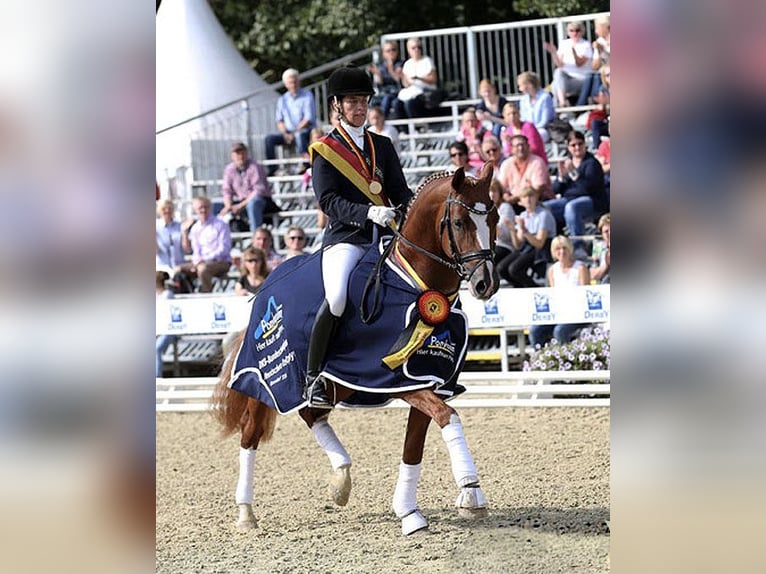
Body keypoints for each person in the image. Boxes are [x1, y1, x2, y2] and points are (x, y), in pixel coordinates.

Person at [305, 64, 413, 408]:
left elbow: (399, 191)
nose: (359, 108)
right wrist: (367, 212)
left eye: (363, 101)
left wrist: (411, 209)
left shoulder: (382, 144)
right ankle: (315, 378)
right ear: (337, 105)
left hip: (386, 235)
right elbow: (329, 201)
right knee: (337, 297)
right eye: (352, 102)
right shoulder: (324, 150)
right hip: (347, 238)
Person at [544, 130, 607, 253]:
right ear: (568, 147)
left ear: (585, 145)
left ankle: (578, 246)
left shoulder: (591, 163)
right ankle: (549, 246)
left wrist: (574, 173)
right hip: (569, 199)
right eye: (573, 145)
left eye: (580, 144)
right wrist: (561, 177)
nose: (577, 147)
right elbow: (556, 189)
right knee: (544, 208)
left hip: (592, 201)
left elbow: (588, 189)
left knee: (571, 208)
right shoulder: (567, 162)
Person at [528, 235, 590, 348]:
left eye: (564, 248)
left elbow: (585, 294)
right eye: (558, 249)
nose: (562, 251)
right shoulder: (552, 270)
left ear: (570, 249)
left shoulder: (580, 268)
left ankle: (563, 360)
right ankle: (540, 359)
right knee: (534, 330)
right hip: (559, 312)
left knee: (559, 331)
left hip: (577, 313)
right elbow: (553, 294)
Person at [498, 186, 556, 288]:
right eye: (525, 197)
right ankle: (520, 287)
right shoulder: (523, 215)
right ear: (520, 201)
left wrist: (524, 230)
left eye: (531, 196)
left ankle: (535, 288)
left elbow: (540, 243)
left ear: (536, 198)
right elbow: (518, 245)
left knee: (514, 269)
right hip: (528, 246)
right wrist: (512, 230)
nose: (528, 199)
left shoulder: (543, 214)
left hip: (541, 249)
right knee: (501, 268)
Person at [264, 68, 316, 176]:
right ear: (285, 84)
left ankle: (306, 165)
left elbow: (308, 119)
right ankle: (273, 169)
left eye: (295, 81)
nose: (293, 85)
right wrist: (285, 133)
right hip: (288, 133)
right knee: (269, 139)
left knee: (299, 135)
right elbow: (279, 121)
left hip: (305, 131)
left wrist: (294, 132)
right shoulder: (282, 99)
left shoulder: (307, 95)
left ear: (299, 81)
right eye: (290, 82)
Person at [179, 196, 232, 293]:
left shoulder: (221, 224)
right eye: (200, 208)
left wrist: (204, 260)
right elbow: (195, 250)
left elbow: (224, 249)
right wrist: (197, 262)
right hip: (201, 263)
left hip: (221, 262)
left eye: (206, 207)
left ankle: (206, 295)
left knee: (203, 270)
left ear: (210, 208)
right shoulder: (195, 228)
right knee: (178, 270)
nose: (203, 210)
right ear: (195, 210)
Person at [220, 142, 274, 232]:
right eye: (237, 153)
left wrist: (240, 206)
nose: (240, 156)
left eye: (242, 152)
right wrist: (228, 205)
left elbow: (258, 191)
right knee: (214, 207)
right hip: (242, 202)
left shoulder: (255, 167)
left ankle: (255, 235)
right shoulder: (229, 169)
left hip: (262, 201)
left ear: (246, 153)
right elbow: (226, 190)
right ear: (232, 156)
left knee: (253, 204)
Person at [543, 21, 594, 107]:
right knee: (558, 73)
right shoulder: (564, 43)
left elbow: (579, 64)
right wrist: (553, 52)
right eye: (571, 30)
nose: (574, 33)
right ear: (568, 32)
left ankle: (560, 106)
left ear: (582, 32)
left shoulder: (586, 45)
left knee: (554, 86)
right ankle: (562, 103)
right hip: (565, 79)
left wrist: (574, 54)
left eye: (577, 30)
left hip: (580, 79)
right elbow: (560, 64)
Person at [497, 134, 553, 212]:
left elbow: (538, 188)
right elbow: (501, 187)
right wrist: (505, 196)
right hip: (513, 203)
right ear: (512, 149)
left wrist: (515, 198)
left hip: (537, 202)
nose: (520, 148)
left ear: (528, 146)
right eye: (517, 146)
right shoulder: (506, 164)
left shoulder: (537, 162)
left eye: (523, 145)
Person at [396, 37, 439, 119]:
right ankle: (404, 129)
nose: (417, 49)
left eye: (419, 47)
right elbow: (406, 85)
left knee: (410, 104)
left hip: (426, 91)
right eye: (413, 48)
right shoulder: (407, 64)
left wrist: (419, 78)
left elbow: (433, 79)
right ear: (408, 49)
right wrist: (402, 76)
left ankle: (416, 127)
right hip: (412, 91)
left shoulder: (427, 61)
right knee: (396, 104)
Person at [577, 14, 610, 105]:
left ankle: (592, 105)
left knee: (597, 78)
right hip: (603, 72)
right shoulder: (599, 41)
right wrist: (598, 52)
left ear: (606, 27)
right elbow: (595, 66)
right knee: (590, 76)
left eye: (598, 28)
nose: (596, 31)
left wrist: (605, 51)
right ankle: (580, 107)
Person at [517, 71, 556, 142]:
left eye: (521, 85)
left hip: (542, 129)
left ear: (529, 84)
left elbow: (545, 120)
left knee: (537, 135)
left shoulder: (545, 97)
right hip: (527, 129)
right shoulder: (523, 100)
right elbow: (523, 118)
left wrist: (532, 130)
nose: (520, 89)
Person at [368, 40, 403, 118]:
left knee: (387, 99)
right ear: (383, 53)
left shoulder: (400, 64)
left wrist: (391, 70)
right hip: (383, 93)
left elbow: (398, 80)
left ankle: (381, 120)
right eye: (388, 51)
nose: (391, 52)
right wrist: (377, 74)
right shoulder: (381, 66)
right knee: (371, 101)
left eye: (393, 49)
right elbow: (380, 84)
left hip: (396, 92)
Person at [156, 198, 185, 275]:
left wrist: (184, 232)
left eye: (170, 208)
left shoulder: (179, 226)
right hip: (162, 266)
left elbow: (186, 249)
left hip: (179, 265)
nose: (167, 211)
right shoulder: (155, 226)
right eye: (164, 209)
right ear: (159, 211)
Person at [155, 271, 176, 377]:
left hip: (168, 329)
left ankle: (156, 377)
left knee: (156, 348)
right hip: (156, 329)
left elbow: (165, 316)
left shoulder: (167, 295)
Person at [456, 107, 488, 172]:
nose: (470, 124)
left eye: (472, 120)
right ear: (463, 123)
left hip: (483, 165)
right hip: (466, 167)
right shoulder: (460, 137)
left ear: (477, 121)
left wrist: (475, 140)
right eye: (467, 121)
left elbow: (487, 157)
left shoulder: (485, 133)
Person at [589, 213, 610, 284]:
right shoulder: (598, 247)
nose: (609, 233)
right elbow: (593, 275)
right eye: (606, 231)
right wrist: (606, 265)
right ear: (602, 234)